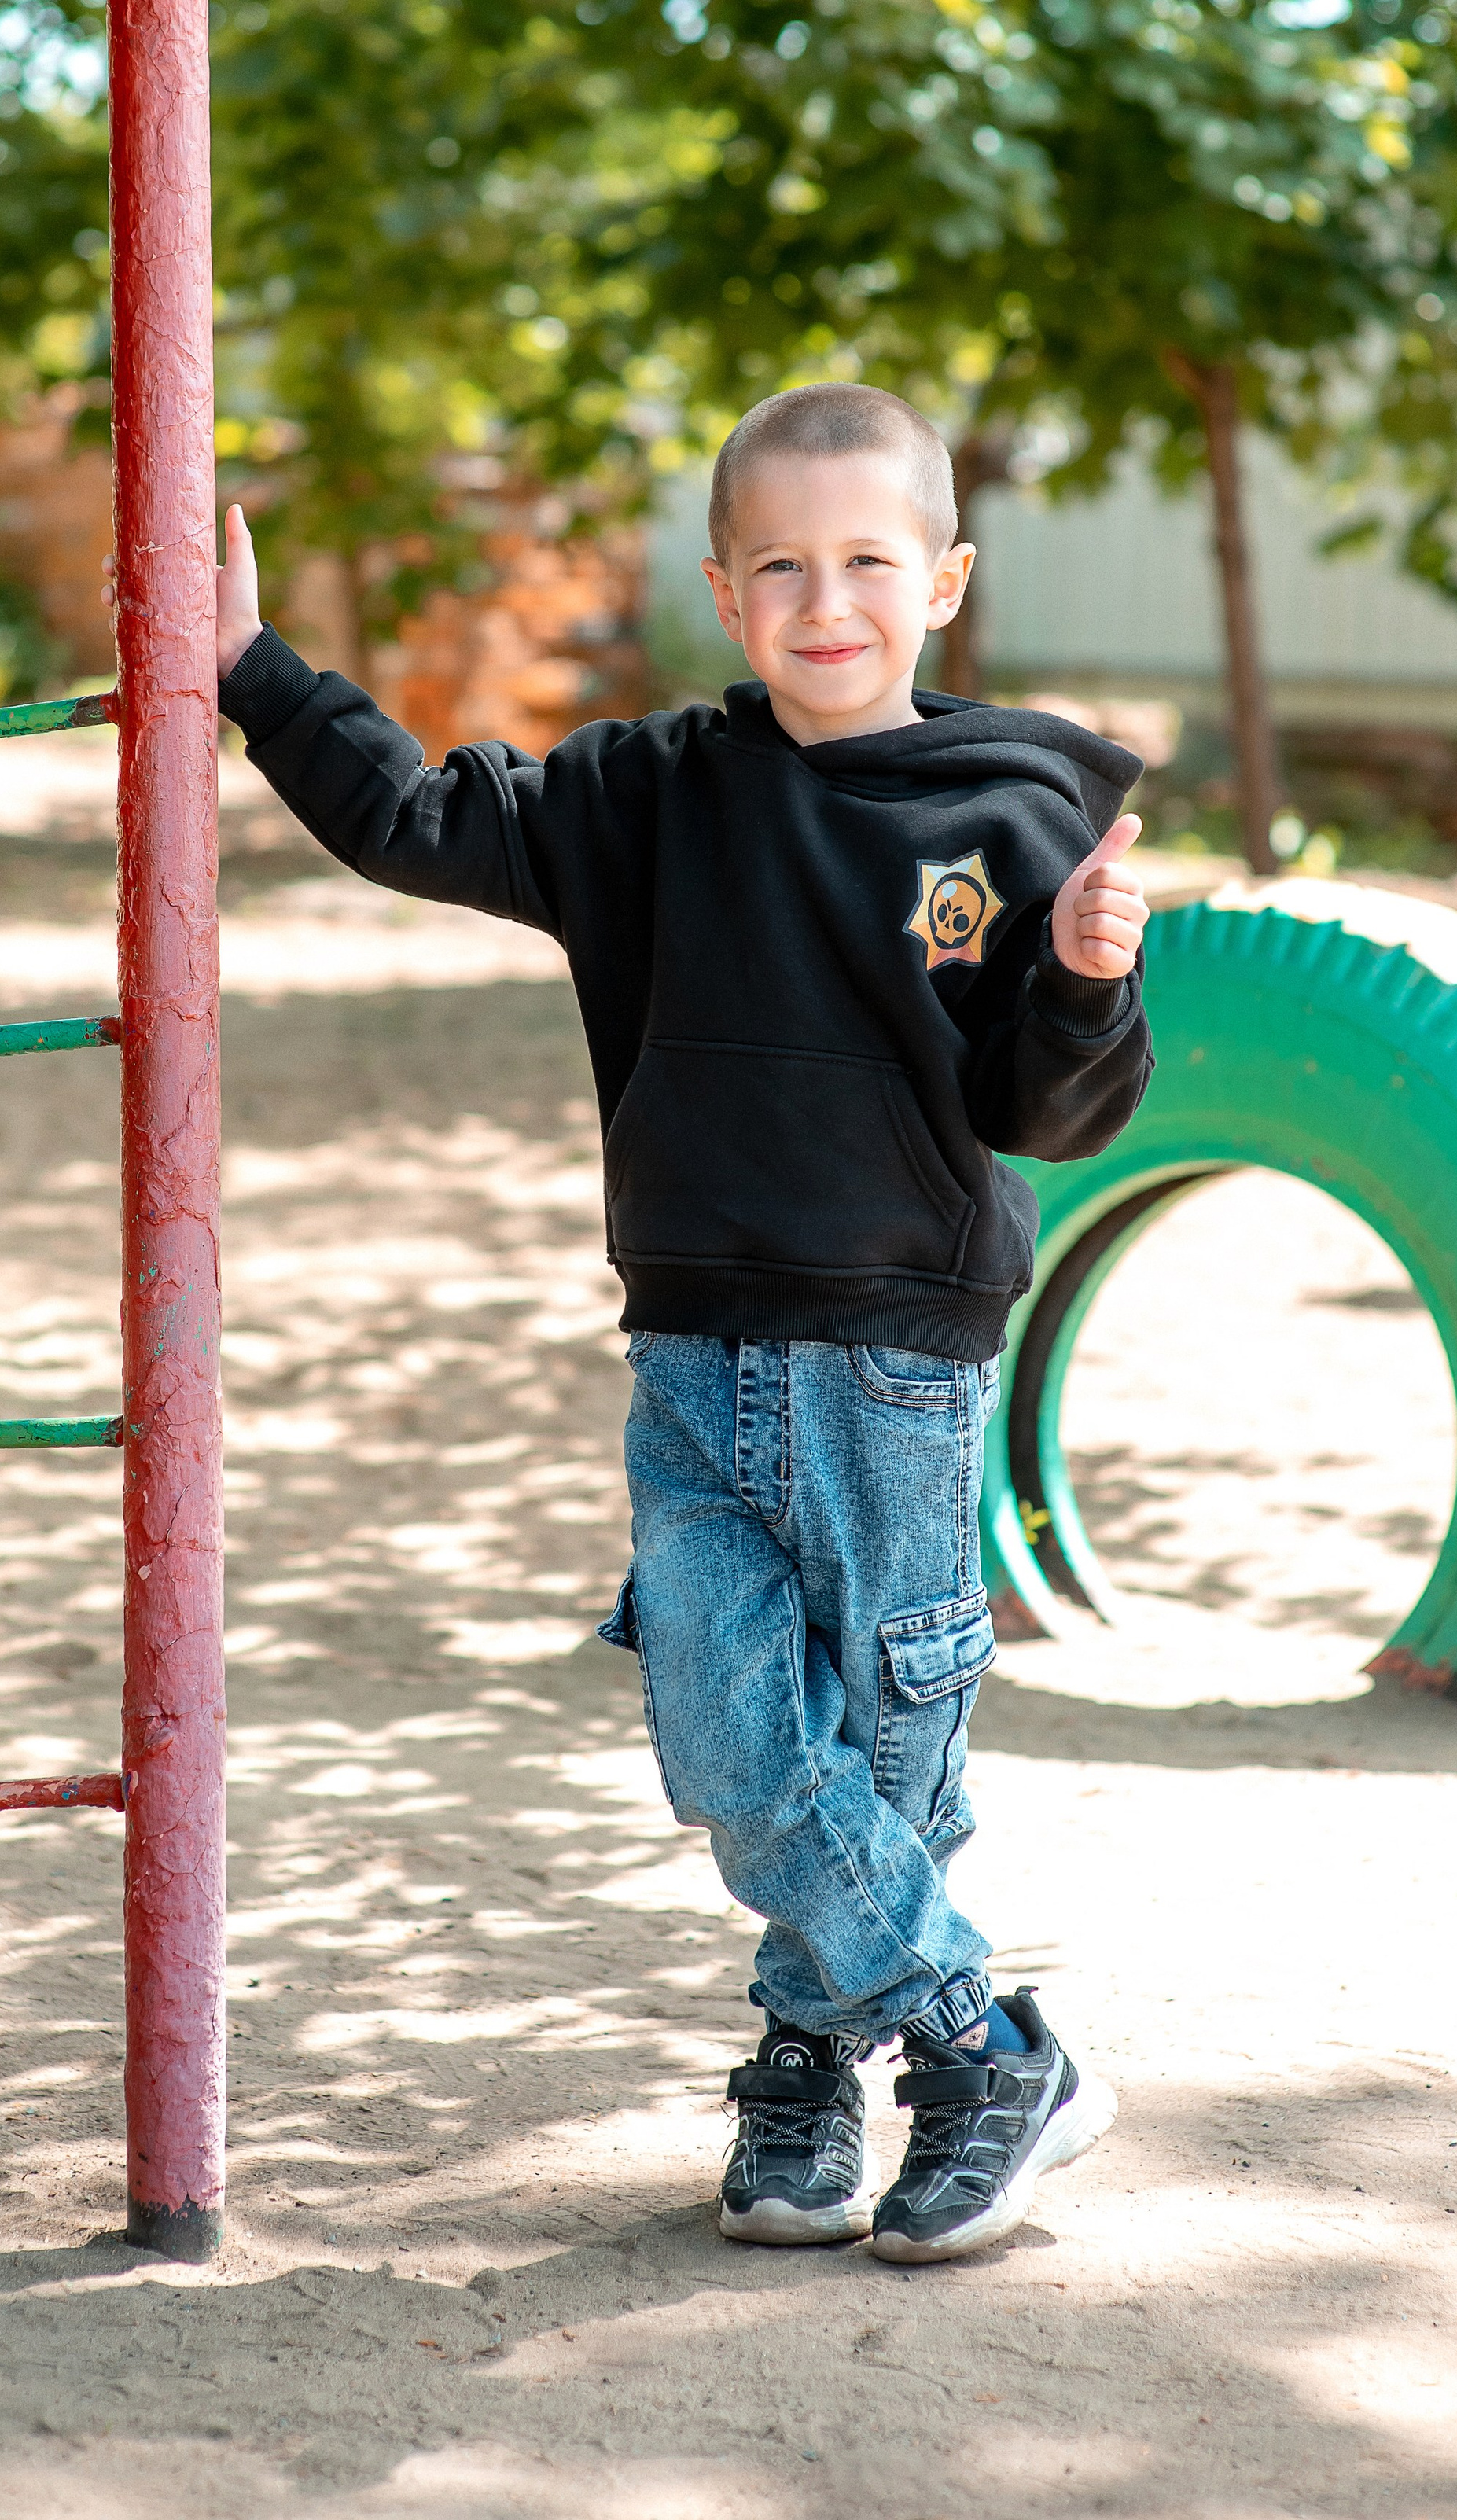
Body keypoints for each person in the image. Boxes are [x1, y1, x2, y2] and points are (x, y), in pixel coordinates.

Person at [180, 381, 1152, 2264]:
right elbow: (413, 816)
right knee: (728, 1738)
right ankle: (983, 2043)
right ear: (721, 583)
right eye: (778, 563)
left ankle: (812, 2060)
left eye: (868, 559)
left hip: (895, 1354)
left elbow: (1051, 1109)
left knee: (878, 1757)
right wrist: (248, 666)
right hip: (691, 1351)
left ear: (940, 578)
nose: (824, 599)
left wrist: (1091, 981)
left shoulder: (1014, 811)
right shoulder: (646, 796)